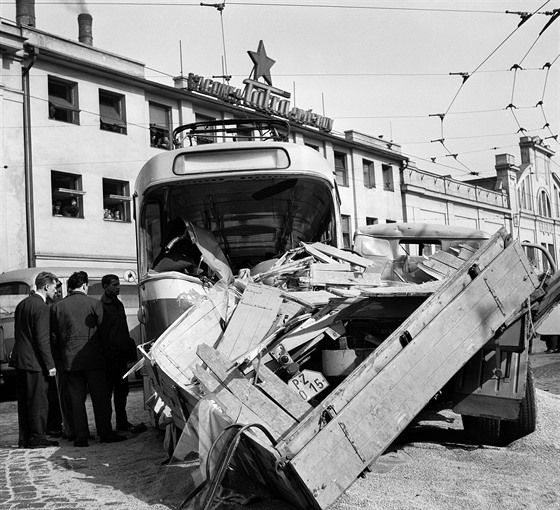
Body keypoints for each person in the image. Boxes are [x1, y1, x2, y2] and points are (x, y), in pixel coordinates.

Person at [50, 271, 126, 447]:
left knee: (76, 400)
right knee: (100, 398)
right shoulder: (94, 304)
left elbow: (53, 338)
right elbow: (104, 333)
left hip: (69, 360)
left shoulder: (57, 307)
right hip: (94, 360)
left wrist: (59, 358)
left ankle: (81, 436)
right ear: (84, 286)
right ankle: (104, 432)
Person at [9, 271, 59, 448]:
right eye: (54, 287)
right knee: (39, 401)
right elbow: (42, 339)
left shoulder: (23, 304)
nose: (56, 291)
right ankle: (38, 437)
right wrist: (50, 364)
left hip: (21, 359)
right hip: (35, 361)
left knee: (24, 401)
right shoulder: (42, 307)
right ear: (46, 286)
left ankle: (25, 438)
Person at [98, 274, 146, 434]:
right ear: (105, 287)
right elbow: (103, 334)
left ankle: (122, 422)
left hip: (120, 357)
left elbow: (122, 330)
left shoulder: (118, 304)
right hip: (109, 357)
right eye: (114, 285)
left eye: (118, 284)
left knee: (122, 392)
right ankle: (106, 428)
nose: (118, 287)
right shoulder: (101, 306)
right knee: (106, 394)